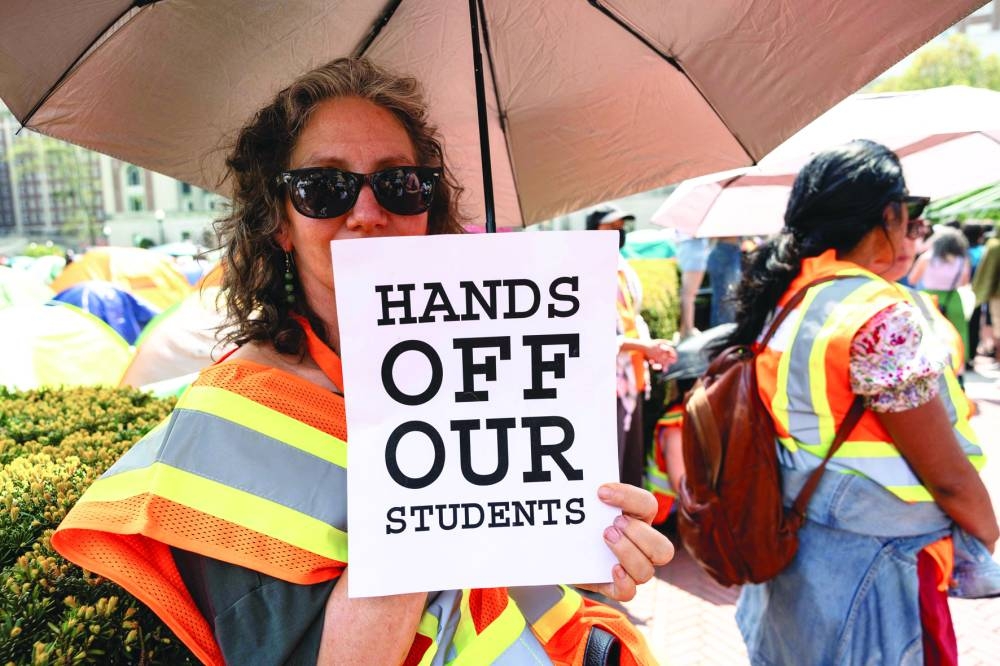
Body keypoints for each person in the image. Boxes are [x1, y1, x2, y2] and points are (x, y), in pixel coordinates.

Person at [51, 57, 673, 665]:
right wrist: (427, 506)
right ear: (279, 222)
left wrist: (592, 542)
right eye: (324, 188)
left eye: (400, 183)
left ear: (428, 207)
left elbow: (512, 574)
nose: (369, 214)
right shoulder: (232, 422)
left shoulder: (500, 364)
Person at [725, 140, 998, 665]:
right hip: (881, 561)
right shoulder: (877, 313)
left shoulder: (788, 298)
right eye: (910, 211)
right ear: (889, 215)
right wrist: (985, 531)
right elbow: (948, 477)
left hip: (799, 544)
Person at [586, 206, 677, 488]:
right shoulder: (589, 271)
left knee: (630, 464)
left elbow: (631, 319)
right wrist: (645, 347)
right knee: (613, 466)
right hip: (610, 382)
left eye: (620, 226)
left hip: (632, 377)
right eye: (610, 226)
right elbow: (595, 335)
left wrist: (648, 349)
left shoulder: (621, 268)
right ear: (593, 231)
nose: (618, 232)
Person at [908, 226, 971, 364]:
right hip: (953, 298)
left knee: (927, 333)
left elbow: (912, 279)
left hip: (928, 299)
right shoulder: (962, 260)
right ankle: (959, 364)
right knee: (958, 332)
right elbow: (964, 282)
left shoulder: (927, 258)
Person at [674, 231, 710, 338]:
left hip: (690, 251)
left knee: (687, 295)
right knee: (688, 296)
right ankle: (689, 330)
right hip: (693, 253)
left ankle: (684, 331)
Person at [705, 236, 742, 326]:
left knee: (724, 297)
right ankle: (724, 329)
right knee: (728, 297)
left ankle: (721, 328)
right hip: (726, 250)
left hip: (726, 250)